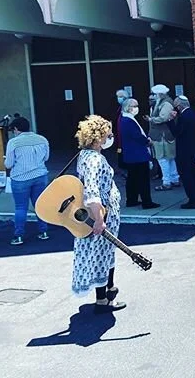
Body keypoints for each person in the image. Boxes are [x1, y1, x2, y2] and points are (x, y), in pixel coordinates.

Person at [73, 115, 126, 312]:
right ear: (98, 137)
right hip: (103, 213)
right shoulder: (94, 159)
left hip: (104, 212)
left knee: (104, 254)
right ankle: (103, 299)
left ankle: (107, 292)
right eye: (108, 134)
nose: (110, 137)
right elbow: (92, 191)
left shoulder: (85, 155)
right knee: (103, 254)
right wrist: (99, 219)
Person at [4, 117, 49, 245]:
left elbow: (8, 164)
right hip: (40, 176)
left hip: (20, 179)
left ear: (17, 129)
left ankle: (18, 236)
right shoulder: (42, 139)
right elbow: (46, 157)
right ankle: (43, 232)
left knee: (20, 207)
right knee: (40, 205)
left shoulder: (13, 143)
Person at [120, 99, 159, 210]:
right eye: (134, 106)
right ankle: (147, 202)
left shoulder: (125, 119)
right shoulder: (128, 121)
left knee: (133, 178)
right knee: (143, 179)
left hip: (132, 155)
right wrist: (147, 141)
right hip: (138, 155)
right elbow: (137, 136)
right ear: (128, 107)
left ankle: (132, 200)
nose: (137, 107)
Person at [169, 95, 195, 209]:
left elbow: (177, 132)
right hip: (194, 150)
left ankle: (193, 200)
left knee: (187, 176)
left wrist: (170, 121)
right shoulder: (194, 114)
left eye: (176, 107)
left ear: (179, 106)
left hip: (184, 152)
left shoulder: (183, 117)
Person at [144, 84, 180, 191]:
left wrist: (151, 120)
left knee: (163, 159)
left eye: (155, 94)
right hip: (165, 136)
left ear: (159, 93)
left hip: (162, 137)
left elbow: (163, 118)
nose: (154, 96)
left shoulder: (166, 103)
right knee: (170, 158)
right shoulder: (164, 102)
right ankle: (174, 179)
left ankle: (166, 182)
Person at [114, 89, 130, 174]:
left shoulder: (128, 107)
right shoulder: (120, 107)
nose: (118, 99)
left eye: (120, 97)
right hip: (120, 135)